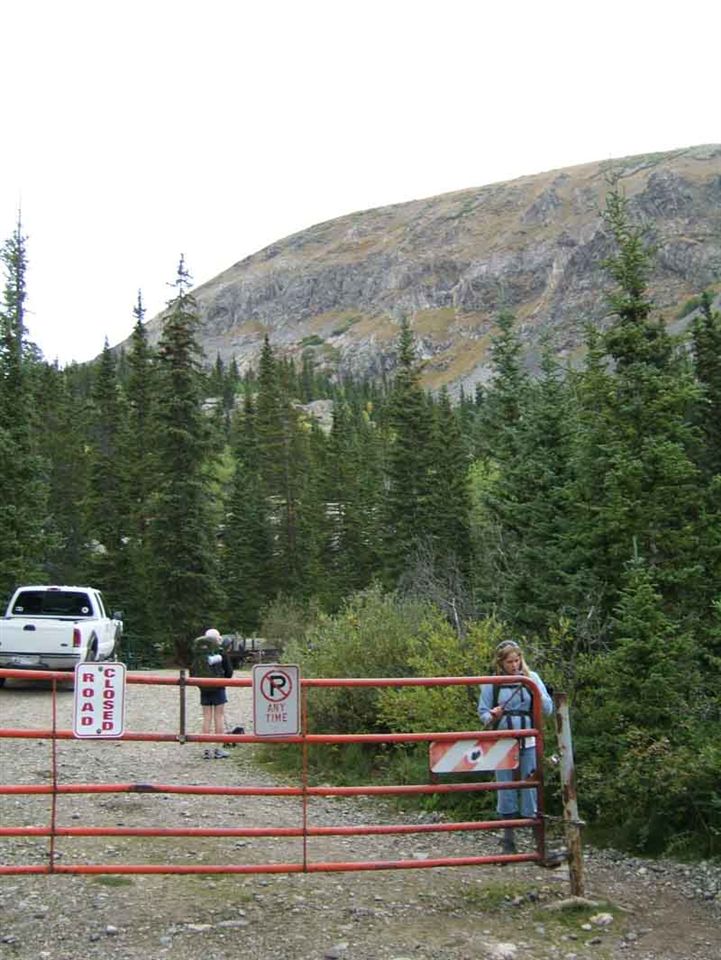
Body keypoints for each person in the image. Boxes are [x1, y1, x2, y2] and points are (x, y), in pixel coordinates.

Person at [477, 640, 553, 854]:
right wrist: (492, 715)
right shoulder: (492, 682)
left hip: (528, 739)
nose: (515, 665)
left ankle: (538, 840)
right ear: (501, 662)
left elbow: (547, 709)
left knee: (530, 785)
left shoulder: (532, 678)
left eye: (517, 660)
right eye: (510, 662)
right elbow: (483, 714)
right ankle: (508, 841)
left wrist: (537, 689)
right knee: (505, 787)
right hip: (503, 742)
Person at [191, 627, 234, 760]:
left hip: (203, 687)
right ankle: (218, 749)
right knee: (219, 717)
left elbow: (192, 672)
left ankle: (206, 749)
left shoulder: (199, 653)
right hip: (219, 687)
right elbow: (229, 672)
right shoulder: (221, 653)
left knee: (206, 717)